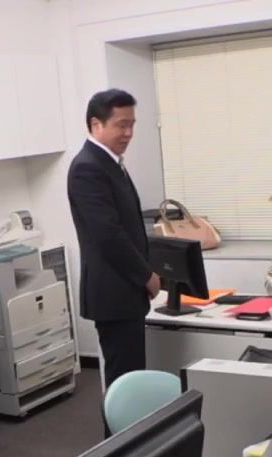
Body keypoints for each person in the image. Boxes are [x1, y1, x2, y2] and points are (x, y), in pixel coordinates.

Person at [67, 88, 158, 391]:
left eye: (132, 124)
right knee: (124, 384)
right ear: (96, 124)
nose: (129, 133)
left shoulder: (110, 162)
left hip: (126, 292)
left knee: (132, 379)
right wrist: (146, 276)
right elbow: (109, 235)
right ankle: (120, 426)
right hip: (114, 293)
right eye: (122, 125)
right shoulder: (87, 167)